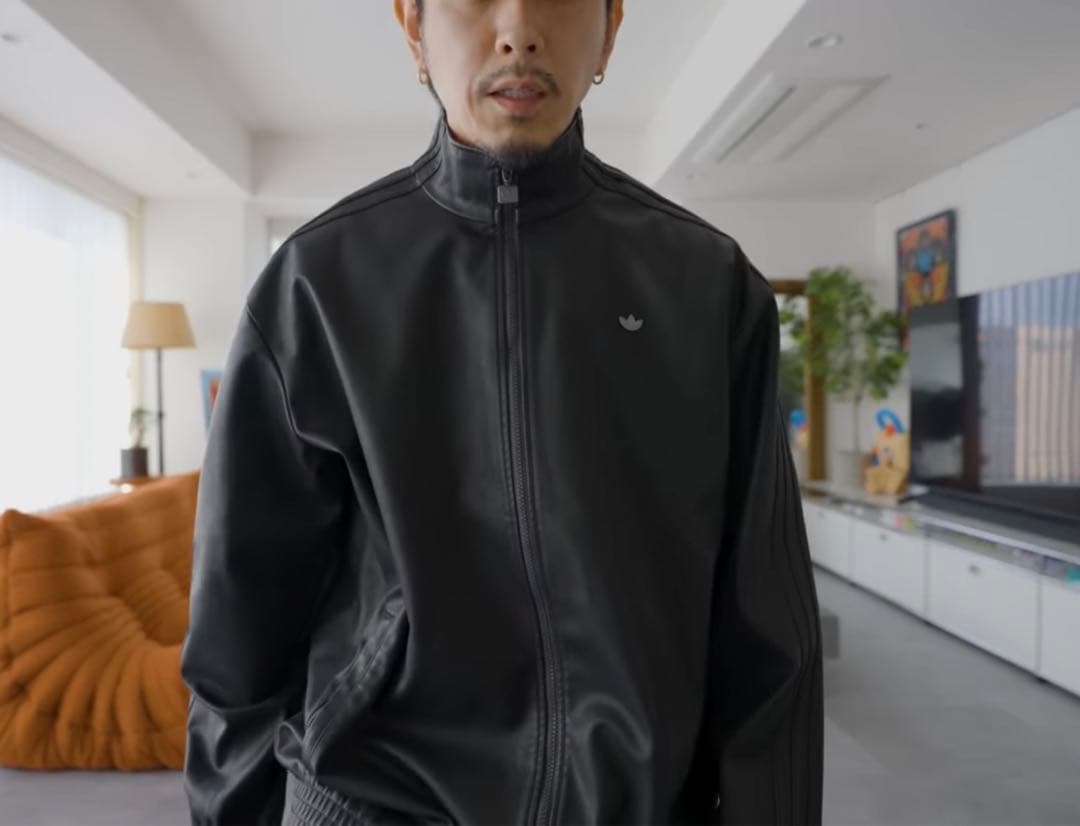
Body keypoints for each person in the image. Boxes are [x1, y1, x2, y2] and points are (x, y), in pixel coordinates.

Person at [180, 0, 824, 823]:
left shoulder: (708, 287)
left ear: (611, 27)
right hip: (370, 803)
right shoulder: (314, 287)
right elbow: (237, 638)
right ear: (412, 26)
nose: (519, 29)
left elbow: (770, 642)